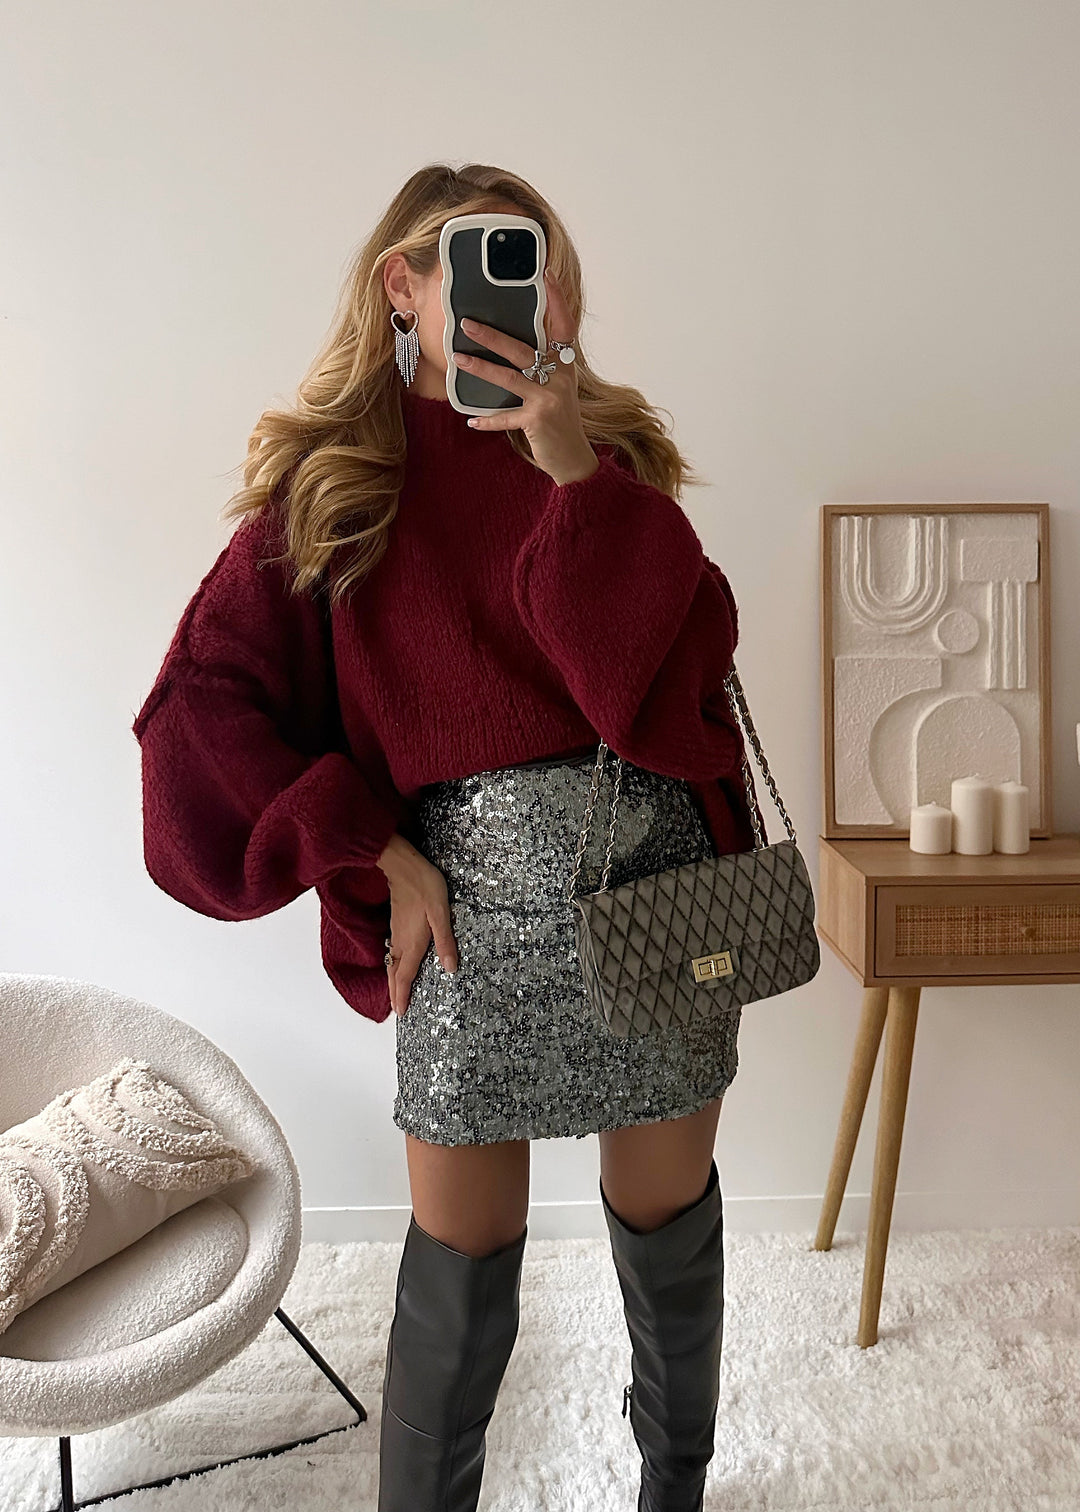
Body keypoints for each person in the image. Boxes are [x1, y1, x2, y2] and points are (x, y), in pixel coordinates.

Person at [132, 161, 760, 1512]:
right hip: (467, 919)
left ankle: (676, 1489)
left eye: (535, 263)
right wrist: (369, 847)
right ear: (402, 287)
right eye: (476, 259)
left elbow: (674, 679)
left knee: (667, 1229)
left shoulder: (611, 453)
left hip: (650, 891)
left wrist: (573, 472)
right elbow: (196, 710)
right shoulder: (337, 488)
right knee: (461, 1264)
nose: (511, 289)